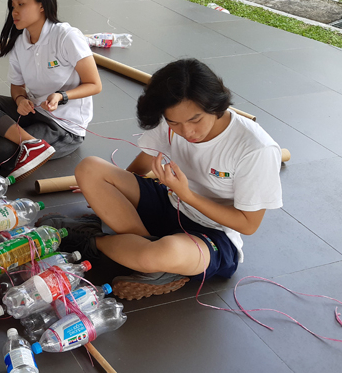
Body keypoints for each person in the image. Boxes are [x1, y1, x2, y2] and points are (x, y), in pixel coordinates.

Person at [40, 59, 283, 300]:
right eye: (175, 122)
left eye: (195, 120)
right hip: (170, 201)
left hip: (213, 233)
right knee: (89, 168)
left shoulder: (256, 148)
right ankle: (144, 253)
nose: (186, 132)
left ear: (215, 105)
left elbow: (248, 225)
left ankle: (96, 240)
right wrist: (110, 191)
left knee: (158, 255)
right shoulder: (170, 120)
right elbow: (139, 167)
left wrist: (187, 195)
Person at [0, 0, 102, 181]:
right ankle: (31, 143)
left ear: (42, 5)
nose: (14, 12)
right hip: (34, 109)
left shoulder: (66, 36)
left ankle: (21, 138)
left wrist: (61, 96)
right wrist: (20, 101)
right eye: (12, 6)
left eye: (21, 4)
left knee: (2, 151)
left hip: (63, 125)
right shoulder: (21, 42)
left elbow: (94, 85)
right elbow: (17, 86)